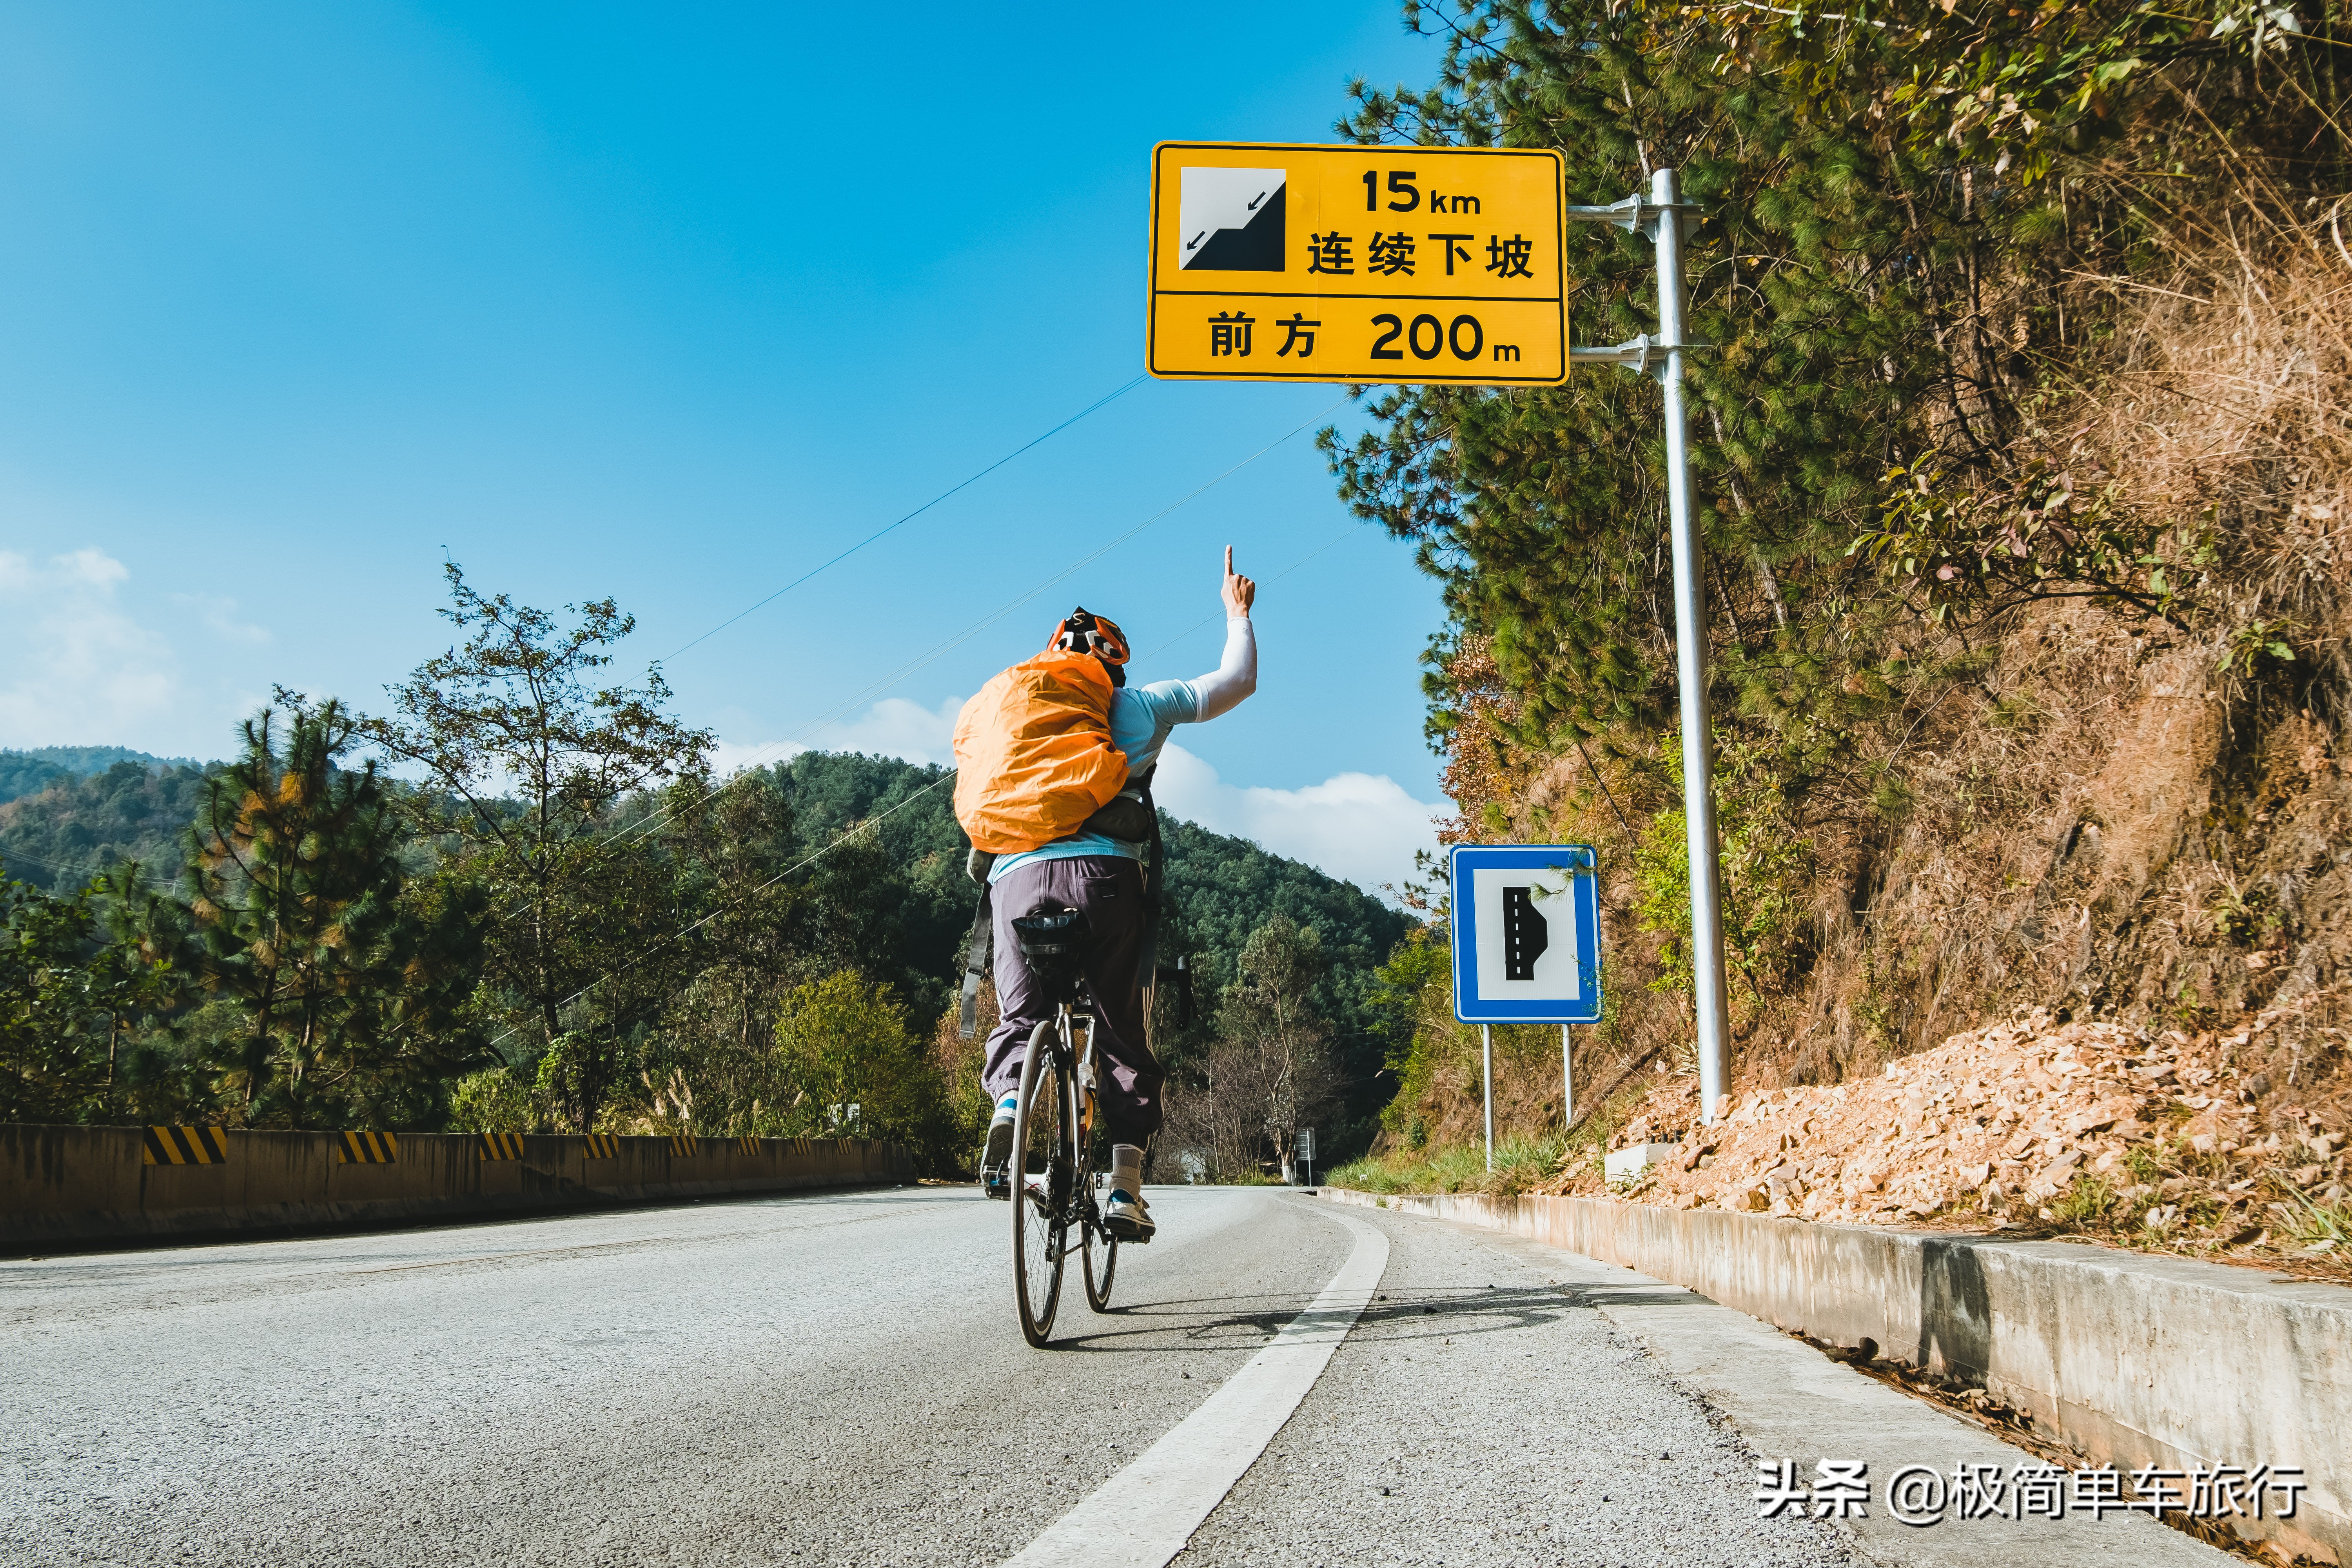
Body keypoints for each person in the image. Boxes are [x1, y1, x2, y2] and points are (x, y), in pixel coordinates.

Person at [978, 546, 1258, 1242]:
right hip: (1102, 880)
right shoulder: (1137, 705)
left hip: (1012, 880)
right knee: (1121, 1031)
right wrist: (1236, 613)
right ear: (1115, 664)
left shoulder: (1007, 712)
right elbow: (1237, 682)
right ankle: (1126, 1185)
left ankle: (1010, 1105)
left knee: (1022, 1017)